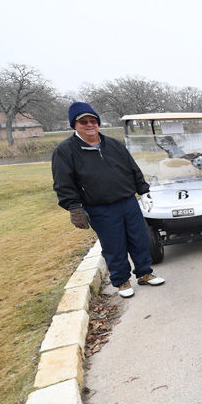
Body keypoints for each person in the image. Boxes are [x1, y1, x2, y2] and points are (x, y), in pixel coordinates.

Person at [51, 102, 164, 299]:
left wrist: (143, 191)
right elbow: (63, 182)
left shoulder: (113, 144)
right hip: (100, 207)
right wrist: (74, 206)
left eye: (92, 121)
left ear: (98, 123)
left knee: (139, 238)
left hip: (127, 201)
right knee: (114, 245)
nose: (89, 125)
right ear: (74, 125)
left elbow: (132, 169)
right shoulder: (65, 151)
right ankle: (122, 281)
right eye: (83, 121)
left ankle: (145, 273)